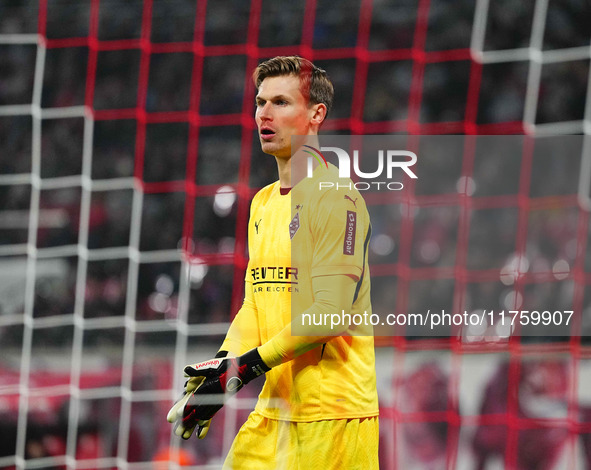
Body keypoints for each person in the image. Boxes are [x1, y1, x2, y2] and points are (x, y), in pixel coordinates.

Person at [167, 56, 379, 469]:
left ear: (316, 114)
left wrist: (246, 367)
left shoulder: (337, 198)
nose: (264, 113)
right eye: (260, 102)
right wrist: (222, 370)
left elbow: (331, 313)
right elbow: (256, 304)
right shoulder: (263, 203)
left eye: (281, 102)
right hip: (275, 411)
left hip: (333, 418)